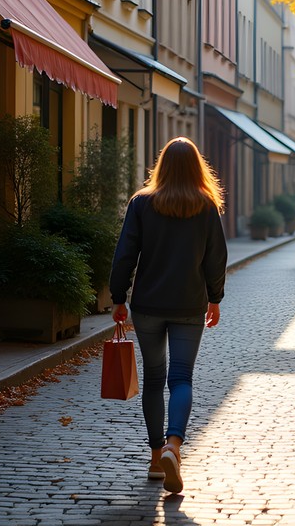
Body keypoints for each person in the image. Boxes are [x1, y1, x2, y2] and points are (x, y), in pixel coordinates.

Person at [110, 137, 227, 494]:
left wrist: (118, 298)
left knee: (154, 378)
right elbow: (216, 258)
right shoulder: (206, 206)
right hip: (189, 305)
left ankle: (155, 456)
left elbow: (125, 254)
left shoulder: (142, 203)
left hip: (147, 306)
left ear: (161, 165)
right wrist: (214, 297)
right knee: (181, 378)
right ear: (197, 168)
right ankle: (175, 446)